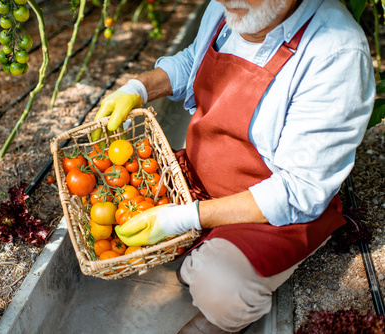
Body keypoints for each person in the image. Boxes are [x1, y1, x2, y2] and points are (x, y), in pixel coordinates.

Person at [92, 0, 375, 333]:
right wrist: (139, 88)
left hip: (270, 214)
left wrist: (186, 217)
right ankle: (200, 246)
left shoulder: (335, 52)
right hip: (199, 181)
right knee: (111, 193)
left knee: (221, 286)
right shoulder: (231, 8)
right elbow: (192, 61)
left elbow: (298, 191)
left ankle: (216, 319)